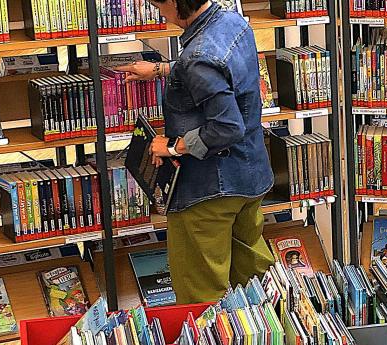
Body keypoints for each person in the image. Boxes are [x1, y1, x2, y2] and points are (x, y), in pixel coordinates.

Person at [118, 0, 275, 303]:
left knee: (200, 296)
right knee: (255, 284)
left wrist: (173, 146)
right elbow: (220, 68)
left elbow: (226, 128)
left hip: (209, 192)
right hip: (250, 176)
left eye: (159, 6)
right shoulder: (233, 22)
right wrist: (164, 70)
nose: (160, 14)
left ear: (175, 3)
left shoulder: (198, 57)